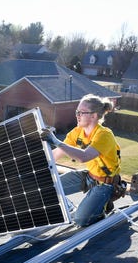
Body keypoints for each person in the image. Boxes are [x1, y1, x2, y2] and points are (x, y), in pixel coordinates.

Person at [43, 94, 121, 227]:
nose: (77, 115)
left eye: (81, 112)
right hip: (89, 176)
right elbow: (56, 154)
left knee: (80, 221)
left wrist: (56, 141)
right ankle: (78, 208)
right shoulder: (77, 132)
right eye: (77, 111)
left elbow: (83, 156)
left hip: (106, 184)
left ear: (94, 115)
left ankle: (101, 208)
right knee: (49, 189)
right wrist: (33, 162)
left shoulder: (104, 135)